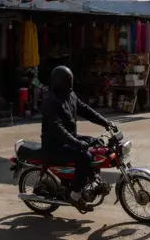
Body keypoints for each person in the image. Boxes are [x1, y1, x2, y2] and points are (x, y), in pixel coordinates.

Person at [41, 66, 113, 211]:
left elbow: (85, 110)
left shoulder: (70, 94)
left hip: (68, 139)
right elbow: (58, 129)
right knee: (85, 156)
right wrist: (77, 143)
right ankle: (75, 195)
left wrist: (105, 122)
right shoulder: (50, 102)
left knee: (97, 143)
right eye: (67, 82)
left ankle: (91, 182)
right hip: (54, 145)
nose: (70, 86)